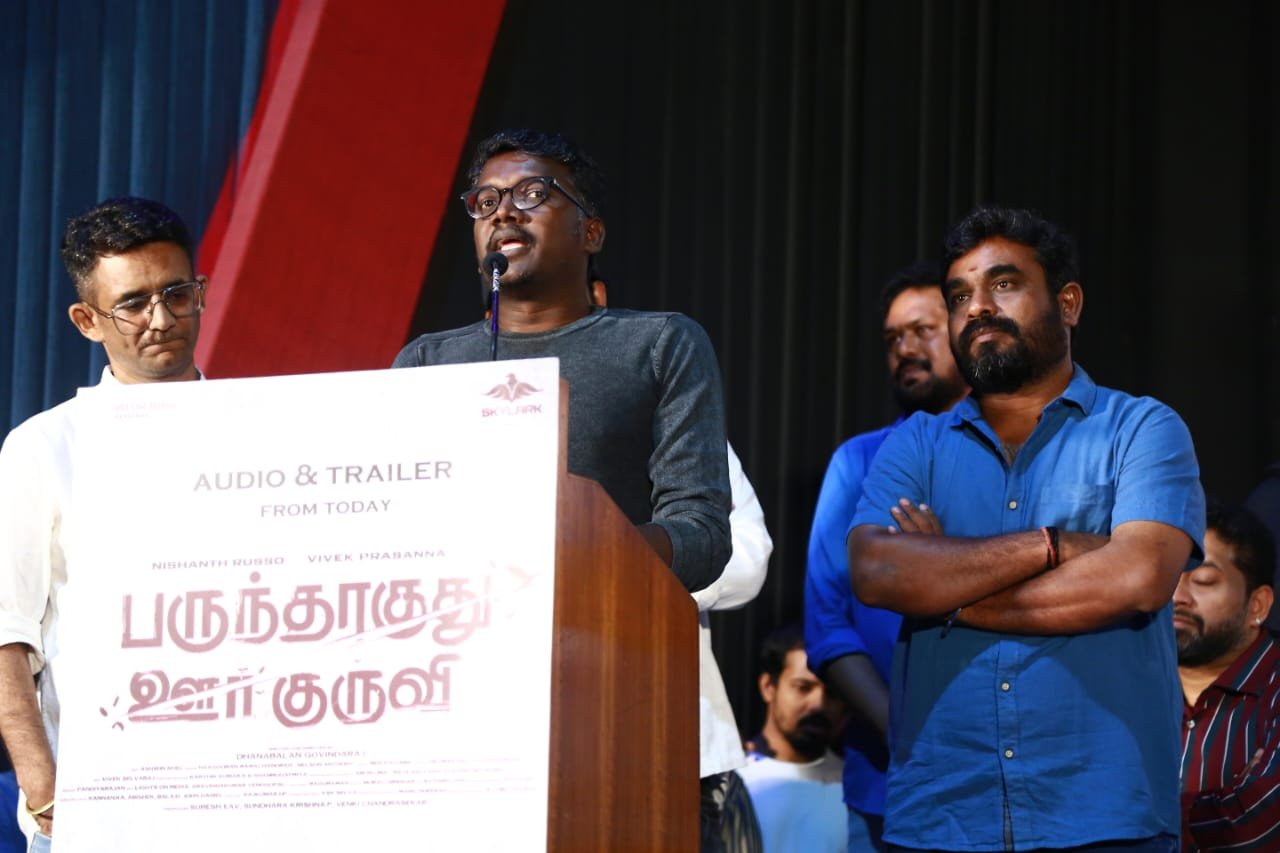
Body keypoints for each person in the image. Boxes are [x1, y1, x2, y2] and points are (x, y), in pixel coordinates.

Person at [393, 129, 733, 846]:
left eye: (532, 193)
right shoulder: (427, 362)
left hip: (606, 699)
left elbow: (702, 534)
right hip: (455, 703)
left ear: (591, 231)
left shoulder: (660, 345)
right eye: (485, 200)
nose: (503, 212)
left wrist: (584, 552)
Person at [848, 205, 1205, 852]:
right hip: (942, 815)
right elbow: (877, 572)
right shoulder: (916, 445)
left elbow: (1136, 579)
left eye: (1004, 284)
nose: (978, 307)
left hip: (1105, 815)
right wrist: (1054, 546)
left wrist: (948, 590)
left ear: (1068, 303)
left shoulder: (1142, 429)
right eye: (960, 295)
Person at [0, 197, 207, 850]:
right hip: (94, 812)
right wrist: (43, 788)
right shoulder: (43, 446)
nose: (162, 319)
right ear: (87, 320)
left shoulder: (261, 430)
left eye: (177, 294)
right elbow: (7, 635)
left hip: (230, 799)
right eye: (133, 303)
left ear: (200, 292)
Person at [589, 277, 769, 851]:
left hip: (669, 740)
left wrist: (636, 574)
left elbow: (748, 554)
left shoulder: (663, 413)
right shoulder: (482, 416)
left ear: (597, 299)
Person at [803, 261, 967, 851]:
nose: (905, 348)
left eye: (923, 330)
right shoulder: (857, 461)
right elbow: (828, 626)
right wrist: (905, 734)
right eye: (893, 337)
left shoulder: (1016, 452)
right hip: (886, 779)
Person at [1175, 499, 1280, 852]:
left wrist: (1132, 817)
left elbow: (1258, 827)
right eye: (1167, 577)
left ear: (1257, 605)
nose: (1177, 596)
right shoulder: (1125, 685)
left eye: (1203, 580)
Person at [739, 624, 847, 853]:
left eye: (832, 692)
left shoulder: (855, 788)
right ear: (768, 687)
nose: (818, 704)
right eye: (803, 688)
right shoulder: (732, 780)